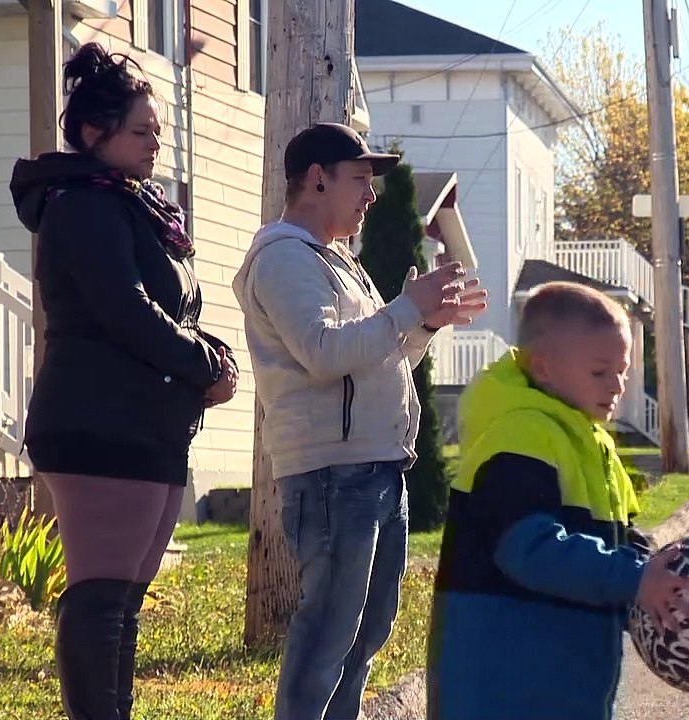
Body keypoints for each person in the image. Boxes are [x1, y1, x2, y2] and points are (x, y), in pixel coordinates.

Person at [9, 43, 238, 719]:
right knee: (103, 598)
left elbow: (170, 311)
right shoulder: (82, 203)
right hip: (97, 425)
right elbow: (125, 310)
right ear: (92, 134)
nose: (154, 146)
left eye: (157, 134)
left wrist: (210, 357)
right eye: (140, 132)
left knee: (124, 603)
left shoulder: (130, 203)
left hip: (145, 425)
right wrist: (202, 365)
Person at [231, 122, 488, 720]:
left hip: (373, 466)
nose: (371, 196)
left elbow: (375, 357)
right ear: (316, 180)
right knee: (329, 631)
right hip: (330, 472)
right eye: (359, 181)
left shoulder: (339, 261)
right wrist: (406, 308)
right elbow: (323, 353)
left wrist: (424, 323)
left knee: (366, 632)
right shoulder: (283, 257)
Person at [426, 281, 689, 720]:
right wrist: (634, 577)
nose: (617, 385)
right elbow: (530, 549)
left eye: (623, 371)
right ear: (545, 368)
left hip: (564, 683)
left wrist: (658, 572)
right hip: (504, 689)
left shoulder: (589, 442)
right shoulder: (520, 436)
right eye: (599, 371)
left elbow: (618, 540)